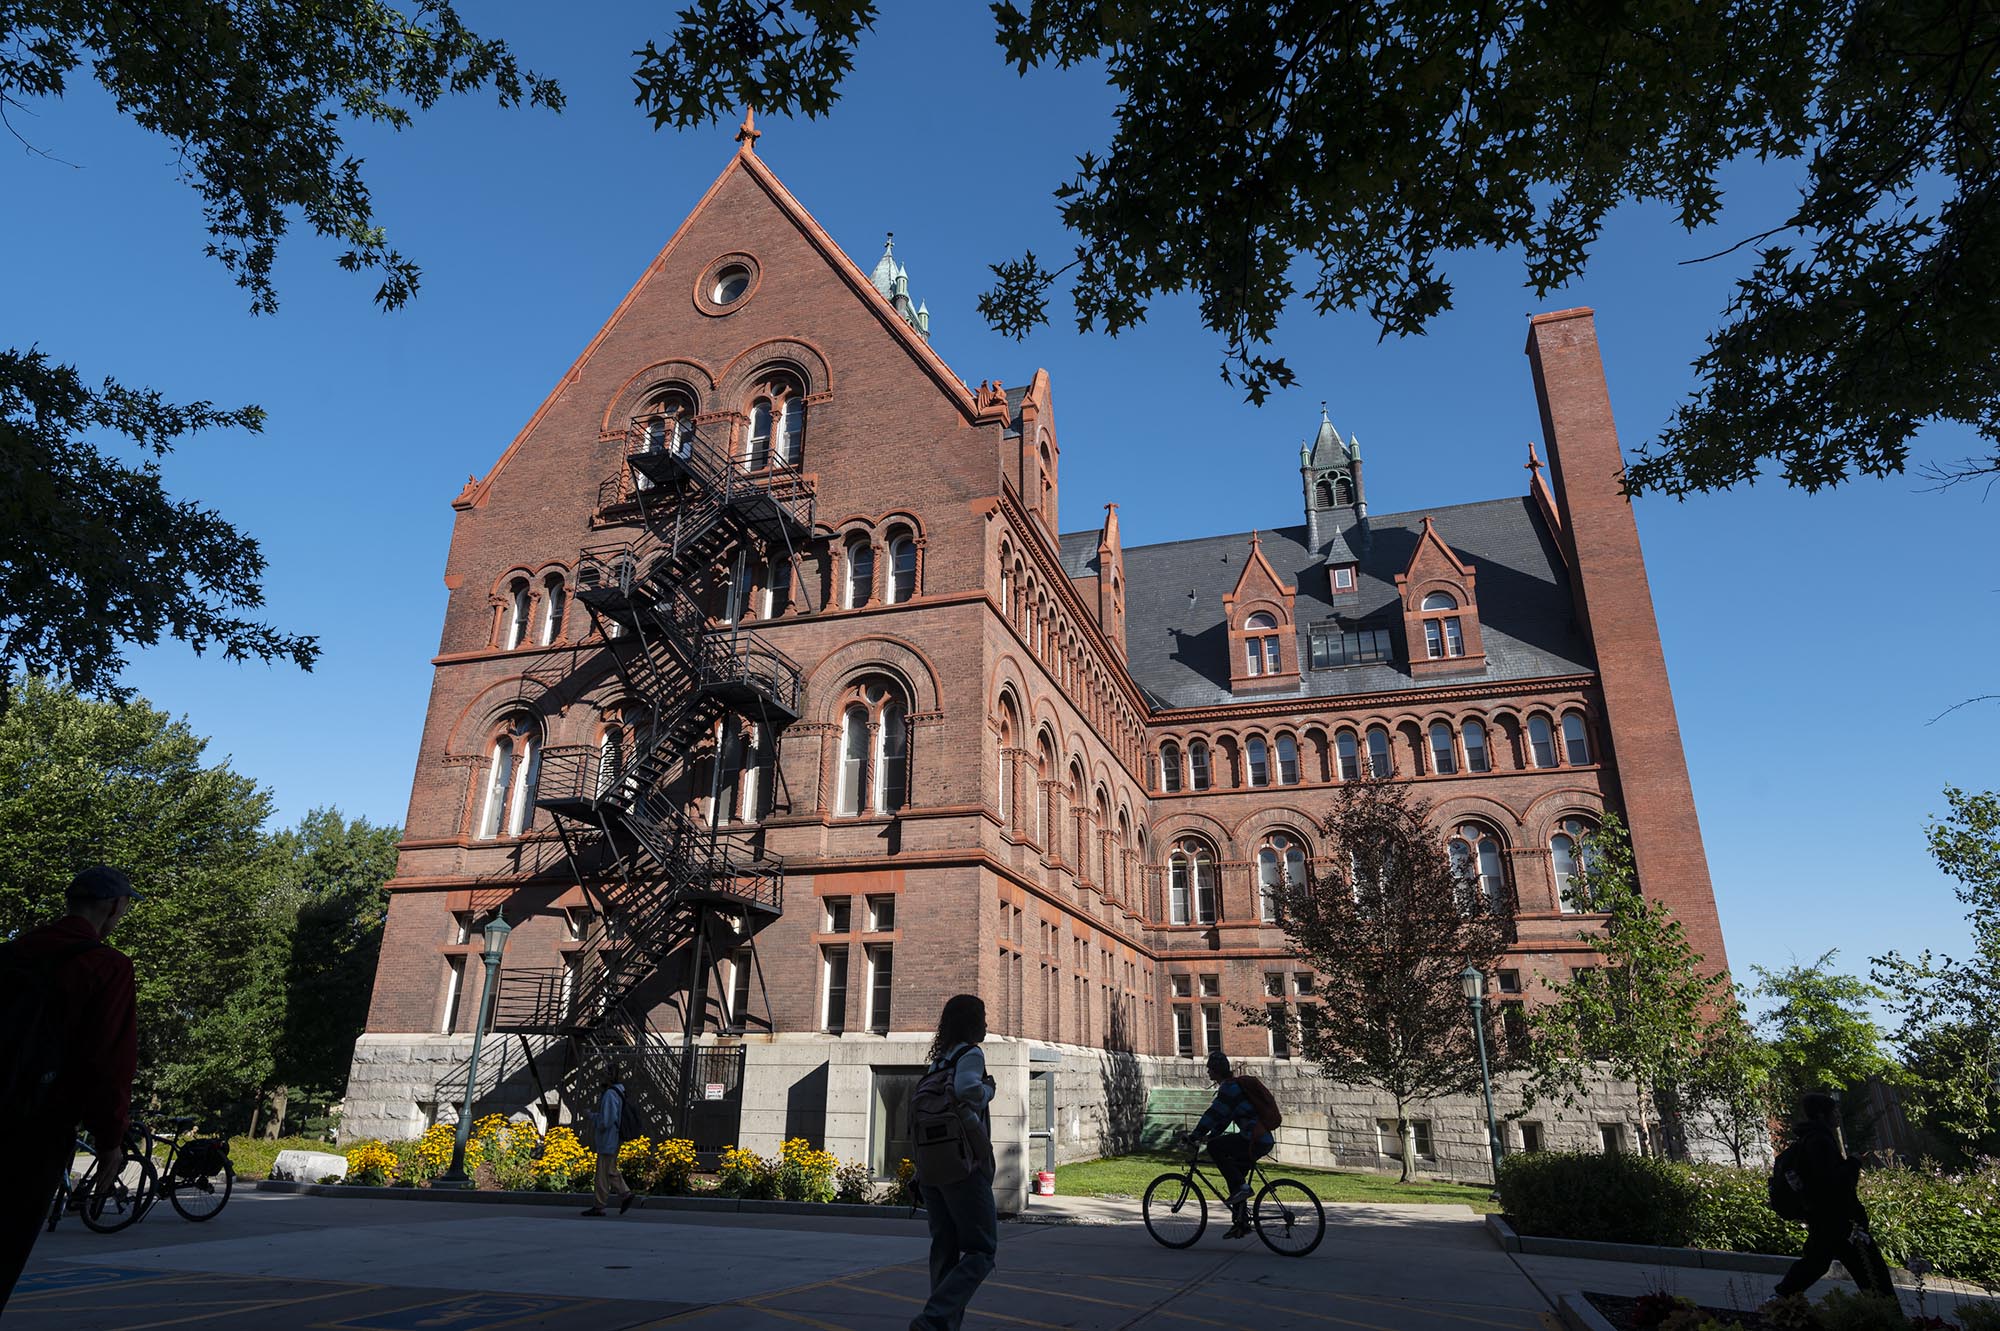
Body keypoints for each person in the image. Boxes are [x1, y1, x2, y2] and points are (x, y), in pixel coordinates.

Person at [1, 867, 140, 1310]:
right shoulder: (108, 966)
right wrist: (110, 1140)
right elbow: (109, 1062)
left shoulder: (12, 954)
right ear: (115, 906)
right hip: (38, 1128)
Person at [912, 994, 997, 1331]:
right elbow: (967, 1090)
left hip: (932, 1167)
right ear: (971, 1023)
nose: (987, 1024)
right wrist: (988, 1090)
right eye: (983, 1017)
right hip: (963, 1164)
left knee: (944, 1247)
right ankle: (934, 1320)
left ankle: (942, 1326)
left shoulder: (938, 1062)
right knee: (982, 1249)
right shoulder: (971, 1054)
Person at [1772, 1093, 1895, 1301]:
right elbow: (1832, 1182)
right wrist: (1854, 1163)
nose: (1838, 1115)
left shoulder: (1809, 1139)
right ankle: (1888, 1316)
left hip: (1824, 1220)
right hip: (1840, 1220)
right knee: (1872, 1272)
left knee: (1815, 1263)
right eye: (1833, 1111)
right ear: (1822, 1115)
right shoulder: (1819, 1141)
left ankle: (1780, 1301)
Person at [1187, 1050, 1275, 1239]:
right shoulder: (1233, 1087)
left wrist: (1196, 1134)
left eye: (1210, 1069)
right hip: (1260, 1139)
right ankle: (1240, 1224)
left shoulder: (1229, 1088)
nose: (1208, 1072)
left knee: (1215, 1149)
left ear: (1217, 1070)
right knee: (1235, 1181)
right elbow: (1225, 1118)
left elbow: (1214, 1113)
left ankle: (1243, 1192)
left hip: (1254, 1139)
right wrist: (1211, 1135)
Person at [581, 1074, 636, 1217]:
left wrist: (591, 1116)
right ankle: (624, 1194)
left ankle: (602, 1204)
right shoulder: (619, 1092)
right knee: (609, 1169)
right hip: (614, 1137)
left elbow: (606, 1121)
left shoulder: (610, 1095)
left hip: (608, 1139)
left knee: (602, 1173)